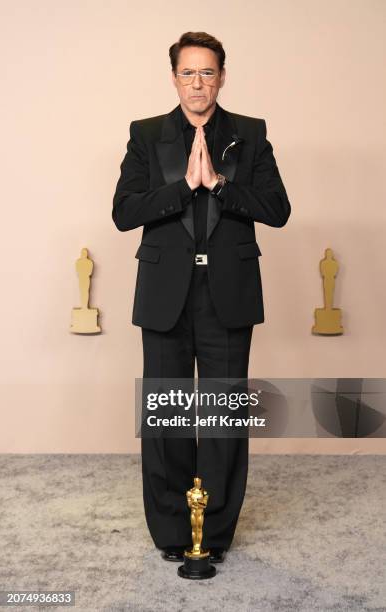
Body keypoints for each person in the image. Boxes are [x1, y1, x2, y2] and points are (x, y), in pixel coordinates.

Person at [112, 31, 291, 564]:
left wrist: (217, 185)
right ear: (174, 78)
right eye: (187, 73)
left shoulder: (251, 135)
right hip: (166, 293)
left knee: (222, 420)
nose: (197, 83)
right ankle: (172, 532)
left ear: (222, 77)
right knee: (167, 417)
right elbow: (124, 212)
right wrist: (183, 189)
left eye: (207, 72)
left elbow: (278, 209)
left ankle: (212, 534)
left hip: (228, 296)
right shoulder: (146, 135)